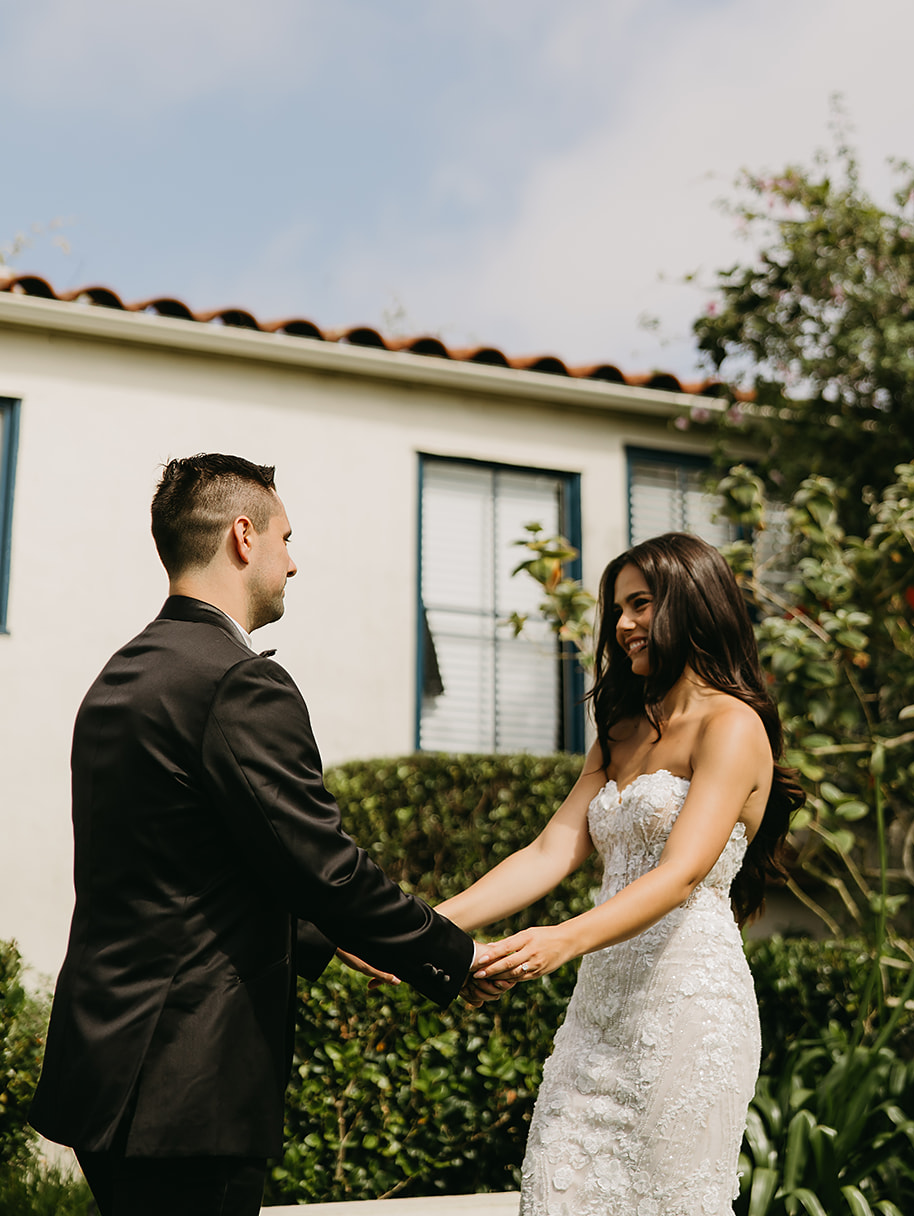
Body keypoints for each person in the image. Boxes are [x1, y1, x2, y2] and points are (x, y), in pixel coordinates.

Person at [31, 454, 488, 1216]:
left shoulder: (120, 676)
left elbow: (183, 863)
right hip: (187, 1082)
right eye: (285, 538)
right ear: (244, 536)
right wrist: (451, 954)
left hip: (104, 1066)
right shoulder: (237, 680)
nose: (293, 562)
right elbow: (325, 867)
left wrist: (325, 939)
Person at [437, 531, 804, 1215]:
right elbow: (550, 851)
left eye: (640, 604)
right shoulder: (620, 727)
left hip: (687, 1008)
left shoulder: (733, 725)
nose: (623, 625)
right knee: (554, 1193)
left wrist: (559, 940)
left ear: (693, 605)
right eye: (616, 609)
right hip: (596, 1015)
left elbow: (680, 875)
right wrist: (425, 925)